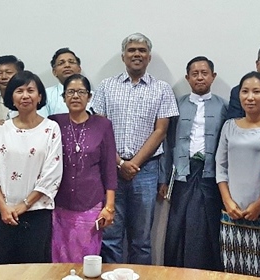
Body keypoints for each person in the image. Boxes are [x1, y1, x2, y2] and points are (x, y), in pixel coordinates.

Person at [92, 33, 178, 265]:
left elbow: (161, 131)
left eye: (141, 50)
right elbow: (99, 129)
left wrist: (134, 164)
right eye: (132, 50)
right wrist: (119, 163)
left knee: (141, 239)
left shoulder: (162, 89)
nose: (137, 54)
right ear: (123, 56)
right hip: (111, 169)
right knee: (110, 235)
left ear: (149, 57)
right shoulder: (105, 86)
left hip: (146, 171)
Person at [0, 71, 63, 264]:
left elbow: (52, 174)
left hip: (36, 212)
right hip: (0, 212)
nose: (25, 95)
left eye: (30, 90)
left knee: (33, 269)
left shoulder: (51, 129)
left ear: (40, 96)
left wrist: (23, 205)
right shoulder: (0, 130)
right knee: (2, 268)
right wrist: (3, 207)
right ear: (12, 97)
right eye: (19, 90)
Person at [161, 56, 228, 270]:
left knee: (208, 225)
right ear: (187, 78)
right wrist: (163, 178)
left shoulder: (224, 106)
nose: (200, 77)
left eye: (204, 73)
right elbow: (167, 142)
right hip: (182, 174)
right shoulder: (176, 105)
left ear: (213, 76)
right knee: (178, 225)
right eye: (195, 74)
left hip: (211, 176)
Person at [217, 71, 260, 277]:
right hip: (232, 216)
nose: (250, 97)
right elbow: (221, 167)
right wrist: (228, 202)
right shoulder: (229, 126)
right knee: (232, 273)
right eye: (245, 91)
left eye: (256, 91)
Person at [48, 74, 118, 263]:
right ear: (63, 97)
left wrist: (109, 206)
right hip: (59, 203)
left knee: (88, 258)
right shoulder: (54, 122)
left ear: (89, 97)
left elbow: (110, 168)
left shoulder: (102, 125)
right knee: (59, 258)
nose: (76, 96)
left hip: (91, 203)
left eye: (81, 92)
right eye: (71, 92)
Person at [43, 48, 86, 116]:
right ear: (54, 72)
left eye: (71, 62)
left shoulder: (91, 95)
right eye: (61, 63)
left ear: (79, 69)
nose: (67, 65)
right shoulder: (46, 95)